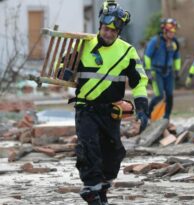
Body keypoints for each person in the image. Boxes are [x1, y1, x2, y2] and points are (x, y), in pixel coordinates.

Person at [63, 1, 149, 204]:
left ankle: (101, 188)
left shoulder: (127, 52)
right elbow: (62, 68)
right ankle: (90, 190)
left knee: (114, 153)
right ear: (100, 26)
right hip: (85, 108)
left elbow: (140, 82)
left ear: (119, 31)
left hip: (111, 111)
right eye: (105, 28)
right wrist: (64, 70)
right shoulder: (83, 44)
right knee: (89, 148)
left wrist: (143, 108)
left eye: (113, 30)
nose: (108, 33)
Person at [144, 18, 181, 120]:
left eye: (174, 32)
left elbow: (177, 57)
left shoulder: (174, 43)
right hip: (156, 71)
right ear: (164, 30)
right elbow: (147, 56)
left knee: (169, 94)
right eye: (171, 31)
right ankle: (148, 112)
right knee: (159, 95)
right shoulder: (155, 41)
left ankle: (167, 117)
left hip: (168, 72)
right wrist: (148, 71)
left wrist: (177, 71)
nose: (173, 34)